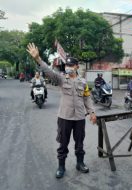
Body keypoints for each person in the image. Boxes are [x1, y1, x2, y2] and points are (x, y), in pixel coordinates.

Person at [27, 43, 97, 178]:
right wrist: (38, 59)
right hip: (64, 117)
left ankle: (80, 163)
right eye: (67, 65)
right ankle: (61, 166)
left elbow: (87, 98)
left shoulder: (83, 82)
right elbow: (49, 71)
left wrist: (92, 112)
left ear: (76, 67)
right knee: (63, 143)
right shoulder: (60, 78)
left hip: (79, 118)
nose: (68, 68)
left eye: (71, 66)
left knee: (80, 142)